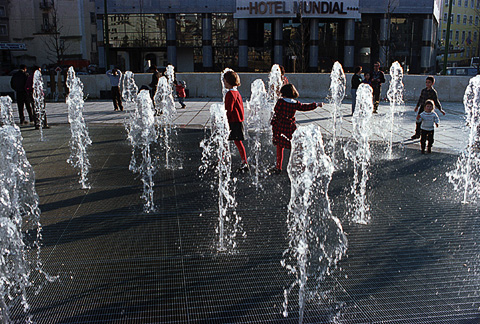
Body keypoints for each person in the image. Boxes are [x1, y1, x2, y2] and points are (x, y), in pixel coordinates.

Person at [269, 84, 323, 174]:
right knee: (294, 146)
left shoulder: (280, 102)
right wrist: (316, 104)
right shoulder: (295, 103)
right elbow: (305, 107)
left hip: (280, 126)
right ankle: (300, 165)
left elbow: (276, 112)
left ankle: (278, 166)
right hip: (290, 127)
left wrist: (273, 124)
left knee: (280, 146)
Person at [223, 70, 249, 173]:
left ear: (228, 82)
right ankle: (244, 161)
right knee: (237, 142)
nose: (224, 83)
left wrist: (224, 119)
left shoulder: (230, 94)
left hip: (232, 121)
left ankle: (243, 162)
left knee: (226, 140)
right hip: (238, 120)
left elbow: (228, 109)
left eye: (224, 81)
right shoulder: (236, 92)